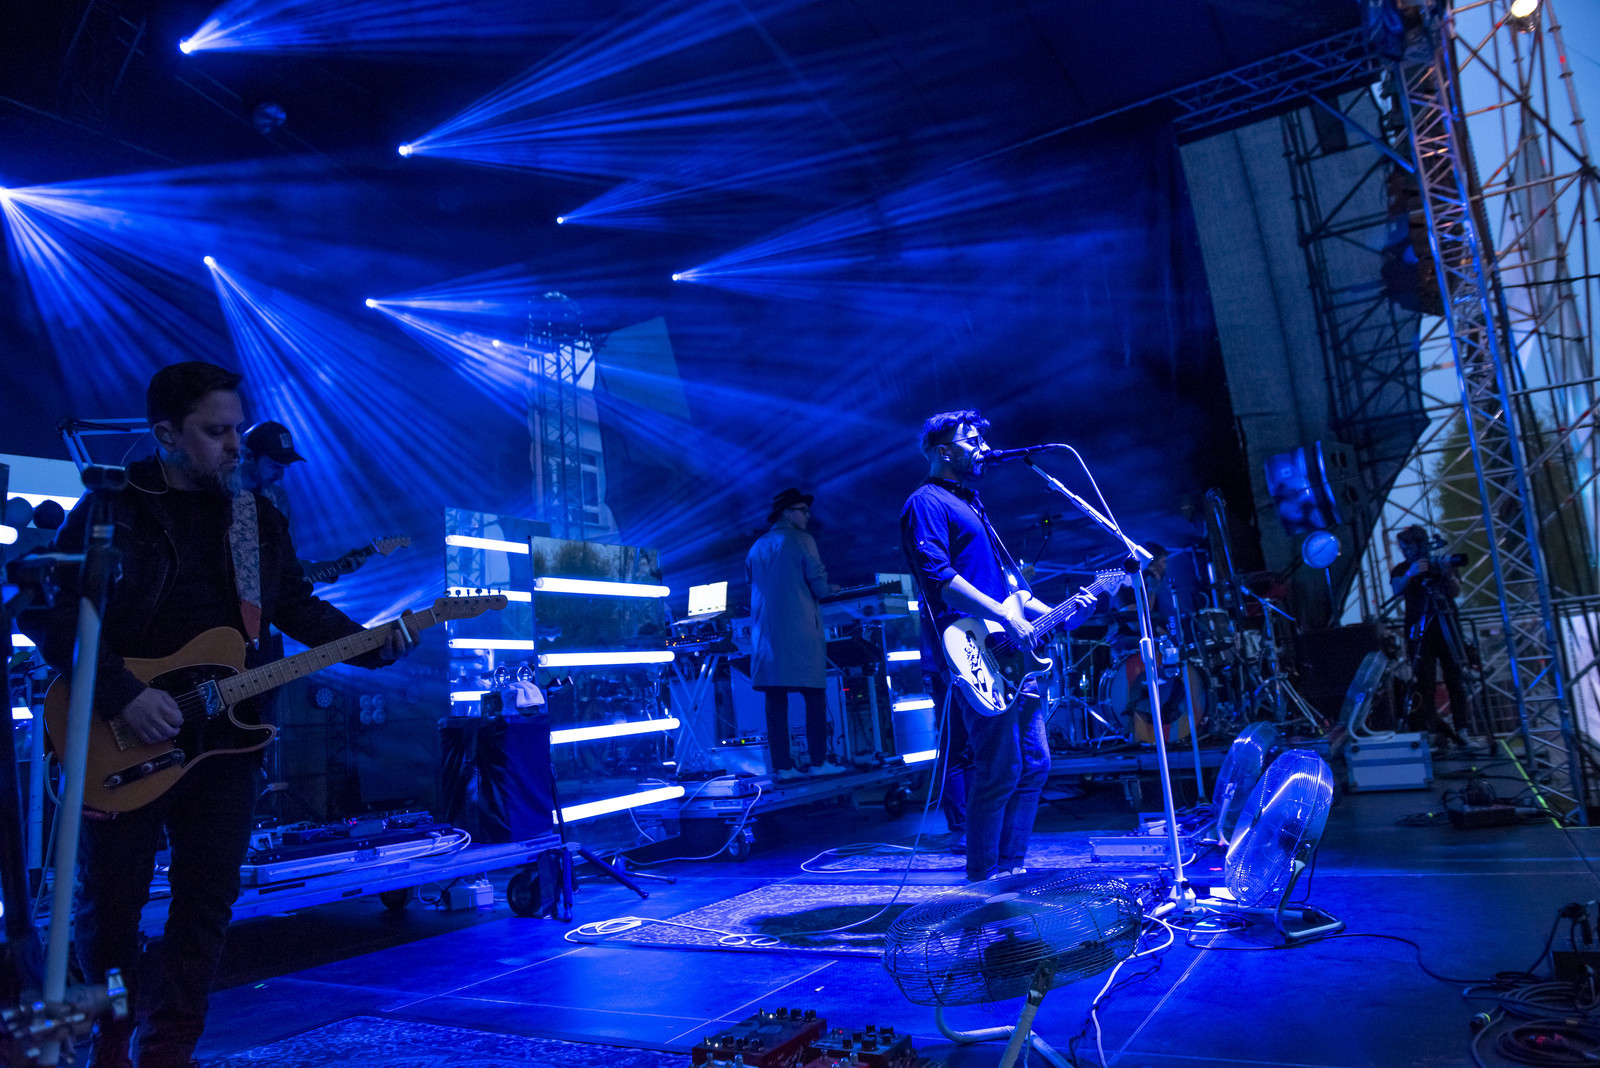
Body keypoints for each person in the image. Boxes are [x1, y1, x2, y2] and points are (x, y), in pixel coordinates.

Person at [33, 362, 413, 1068]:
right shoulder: (113, 507)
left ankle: (170, 1047)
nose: (236, 444)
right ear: (165, 435)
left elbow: (293, 604)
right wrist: (123, 694)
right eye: (215, 432)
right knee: (109, 909)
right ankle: (110, 1040)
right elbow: (50, 616)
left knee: (206, 901)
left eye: (236, 428)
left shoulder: (255, 518)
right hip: (124, 733)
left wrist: (371, 645)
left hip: (227, 739)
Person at [901, 410, 1097, 881]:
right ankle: (983, 876)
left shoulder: (973, 503)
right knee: (999, 768)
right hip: (971, 649)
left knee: (1034, 764)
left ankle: (1011, 869)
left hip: (1011, 655)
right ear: (943, 450)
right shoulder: (926, 503)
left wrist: (1065, 610)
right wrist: (1005, 616)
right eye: (971, 440)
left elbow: (1014, 591)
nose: (983, 448)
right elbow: (941, 580)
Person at [745, 487, 846, 781]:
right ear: (788, 513)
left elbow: (755, 583)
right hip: (799, 631)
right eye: (803, 510)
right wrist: (832, 588)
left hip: (766, 636)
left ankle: (783, 767)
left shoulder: (757, 546)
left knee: (775, 699)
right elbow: (819, 587)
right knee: (814, 694)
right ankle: (818, 761)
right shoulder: (802, 540)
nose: (808, 515)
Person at [238, 421, 351, 585]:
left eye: (284, 467)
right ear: (247, 455)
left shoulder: (277, 498)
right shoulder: (219, 495)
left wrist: (332, 568)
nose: (280, 476)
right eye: (274, 466)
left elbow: (286, 562)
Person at [1390, 524, 1471, 748]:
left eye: (1408, 547)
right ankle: (1432, 732)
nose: (1405, 552)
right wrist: (1411, 573)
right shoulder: (1402, 569)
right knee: (1424, 682)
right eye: (1403, 548)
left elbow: (1456, 591)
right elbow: (1396, 590)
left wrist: (1448, 573)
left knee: (1455, 678)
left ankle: (1463, 730)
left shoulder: (1439, 563)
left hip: (1446, 626)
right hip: (1419, 630)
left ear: (1420, 545)